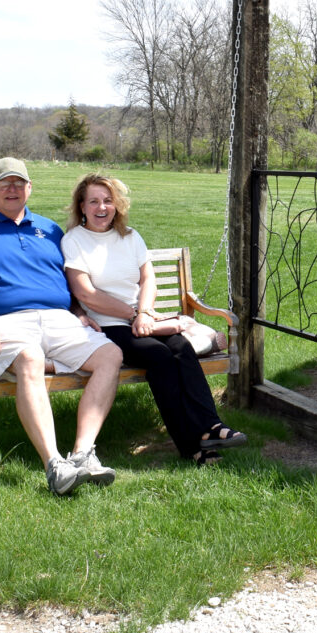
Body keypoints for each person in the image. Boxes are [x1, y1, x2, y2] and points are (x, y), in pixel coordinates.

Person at [0, 158, 123, 495]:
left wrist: (78, 311)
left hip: (59, 319)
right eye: (4, 183)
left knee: (110, 355)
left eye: (19, 183)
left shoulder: (50, 230)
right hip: (2, 323)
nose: (12, 189)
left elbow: (68, 281)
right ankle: (56, 466)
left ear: (29, 188)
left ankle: (83, 454)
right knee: (30, 358)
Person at [61, 173, 247, 466]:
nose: (102, 207)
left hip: (144, 318)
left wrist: (145, 312)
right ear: (81, 206)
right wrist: (134, 315)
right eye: (93, 201)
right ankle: (191, 446)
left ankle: (211, 426)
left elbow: (148, 278)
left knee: (181, 348)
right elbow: (86, 294)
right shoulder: (74, 241)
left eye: (108, 200)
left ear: (117, 205)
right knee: (159, 356)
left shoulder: (130, 236)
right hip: (108, 326)